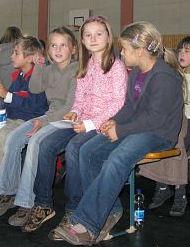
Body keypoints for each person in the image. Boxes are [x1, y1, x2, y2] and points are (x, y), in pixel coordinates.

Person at [52, 21, 183, 245]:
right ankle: (111, 210)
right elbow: (130, 107)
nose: (120, 53)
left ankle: (87, 224)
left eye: (124, 49)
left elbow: (155, 119)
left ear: (139, 51)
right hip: (137, 127)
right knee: (88, 151)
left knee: (118, 158)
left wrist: (120, 130)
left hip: (159, 134)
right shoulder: (137, 73)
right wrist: (114, 121)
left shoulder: (164, 77)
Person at [20, 16, 128, 236]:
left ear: (109, 38)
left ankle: (73, 208)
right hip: (81, 121)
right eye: (88, 35)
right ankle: (43, 203)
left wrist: (89, 123)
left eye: (98, 34)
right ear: (83, 41)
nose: (93, 38)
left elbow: (118, 103)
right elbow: (79, 98)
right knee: (45, 145)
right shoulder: (85, 66)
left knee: (74, 148)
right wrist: (75, 112)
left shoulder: (116, 66)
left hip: (102, 124)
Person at [0, 27, 78, 227]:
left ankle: (27, 200)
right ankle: (8, 191)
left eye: (63, 45)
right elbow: (35, 88)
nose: (58, 49)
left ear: (74, 49)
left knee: (34, 142)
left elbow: (69, 107)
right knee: (12, 138)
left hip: (69, 118)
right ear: (48, 49)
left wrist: (43, 121)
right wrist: (39, 67)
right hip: (50, 116)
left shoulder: (77, 71)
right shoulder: (49, 70)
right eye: (53, 45)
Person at [0, 36, 48, 207]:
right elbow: (11, 101)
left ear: (29, 58)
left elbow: (35, 105)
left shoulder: (39, 76)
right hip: (13, 118)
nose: (11, 56)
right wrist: (2, 108)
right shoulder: (20, 75)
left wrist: (7, 96)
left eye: (16, 53)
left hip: (30, 120)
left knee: (3, 136)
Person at [142, 36, 190, 217]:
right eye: (180, 50)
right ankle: (163, 187)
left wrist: (180, 92)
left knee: (177, 147)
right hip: (173, 117)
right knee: (160, 142)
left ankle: (181, 194)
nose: (181, 54)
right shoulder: (174, 73)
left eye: (187, 51)